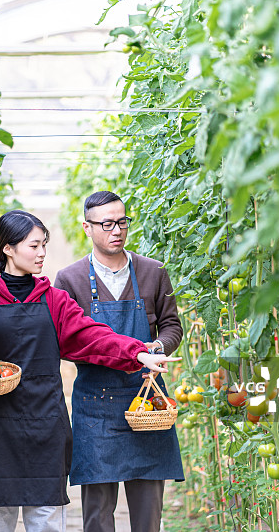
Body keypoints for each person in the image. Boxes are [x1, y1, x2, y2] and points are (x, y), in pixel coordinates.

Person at [0, 209, 179, 532]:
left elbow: (94, 338)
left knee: (47, 525)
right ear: (8, 249)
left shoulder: (55, 301)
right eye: (34, 246)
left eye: (45, 245)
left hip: (47, 430)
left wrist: (138, 353)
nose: (42, 253)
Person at [54, 191, 185, 532]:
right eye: (107, 223)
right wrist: (116, 352)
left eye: (122, 222)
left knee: (148, 514)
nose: (117, 230)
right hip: (96, 407)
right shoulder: (70, 280)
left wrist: (156, 347)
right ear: (87, 227)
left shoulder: (153, 272)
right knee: (97, 515)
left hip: (148, 402)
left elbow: (172, 325)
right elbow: (66, 341)